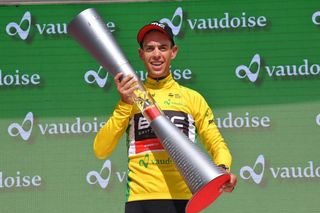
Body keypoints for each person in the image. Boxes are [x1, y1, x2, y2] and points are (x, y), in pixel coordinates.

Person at [93, 21, 237, 213]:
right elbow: (100, 149)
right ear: (141, 54)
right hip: (139, 200)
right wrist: (125, 104)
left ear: (173, 52)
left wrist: (223, 170)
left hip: (181, 201)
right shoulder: (132, 97)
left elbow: (216, 143)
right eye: (150, 48)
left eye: (163, 47)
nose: (157, 54)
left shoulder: (192, 98)